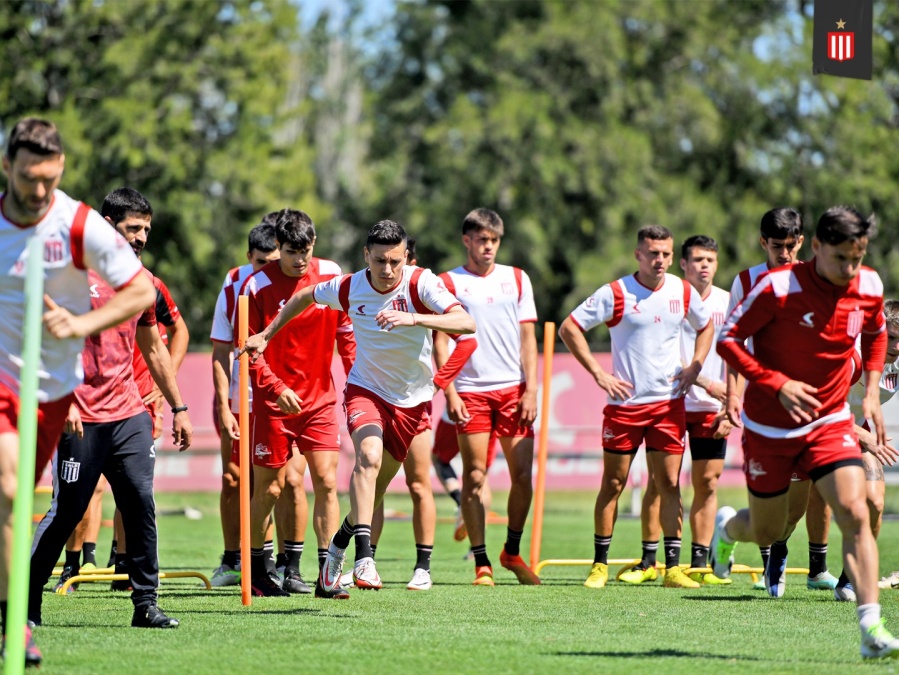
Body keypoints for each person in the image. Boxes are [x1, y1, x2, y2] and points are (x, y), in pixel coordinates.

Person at [242, 219, 475, 595]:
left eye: (395, 261)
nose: (387, 270)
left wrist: (414, 317)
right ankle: (364, 558)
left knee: (375, 490)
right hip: (365, 391)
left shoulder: (421, 283)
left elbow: (466, 323)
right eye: (380, 260)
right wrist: (267, 335)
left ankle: (338, 544)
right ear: (366, 255)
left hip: (411, 402)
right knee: (368, 458)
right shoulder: (349, 286)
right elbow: (305, 297)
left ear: (406, 258)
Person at [0, 118, 156, 666]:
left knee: (30, 500)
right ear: (7, 167)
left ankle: (17, 610)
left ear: (61, 168)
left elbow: (141, 292)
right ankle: (16, 622)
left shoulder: (79, 223)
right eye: (27, 177)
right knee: (10, 488)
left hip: (54, 391)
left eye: (48, 178)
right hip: (4, 381)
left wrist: (80, 324)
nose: (38, 189)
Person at [713, 207, 899, 659]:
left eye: (857, 258)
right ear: (815, 248)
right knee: (766, 529)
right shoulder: (776, 287)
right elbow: (728, 340)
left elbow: (876, 333)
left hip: (830, 421)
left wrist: (872, 390)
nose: (849, 269)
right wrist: (776, 384)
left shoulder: (868, 285)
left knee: (855, 512)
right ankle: (727, 529)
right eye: (840, 259)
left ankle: (871, 629)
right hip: (769, 426)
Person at [29, 186, 192, 632]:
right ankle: (25, 603)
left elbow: (154, 348)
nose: (141, 237)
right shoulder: (67, 274)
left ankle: (146, 605)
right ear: (106, 226)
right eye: (133, 228)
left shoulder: (142, 281)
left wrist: (179, 406)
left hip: (128, 413)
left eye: (146, 230)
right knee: (68, 511)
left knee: (140, 503)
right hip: (79, 415)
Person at [559, 225, 712, 590]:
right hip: (624, 407)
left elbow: (706, 327)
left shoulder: (682, 291)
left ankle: (672, 569)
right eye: (652, 253)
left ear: (672, 257)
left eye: (666, 254)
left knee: (669, 484)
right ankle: (599, 565)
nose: (660, 260)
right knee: (613, 483)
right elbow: (569, 328)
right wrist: (598, 373)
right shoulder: (616, 292)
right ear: (638, 255)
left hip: (668, 406)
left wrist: (695, 366)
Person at [719, 207, 836, 591]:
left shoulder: (817, 280)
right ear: (762, 242)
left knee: (795, 509)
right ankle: (741, 539)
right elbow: (731, 342)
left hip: (807, 407)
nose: (783, 253)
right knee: (767, 510)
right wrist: (732, 394)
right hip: (764, 409)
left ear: (801, 242)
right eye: (775, 246)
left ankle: (780, 552)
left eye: (790, 246)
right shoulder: (746, 281)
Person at [241, 209, 355, 597]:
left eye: (305, 251)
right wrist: (275, 389)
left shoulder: (331, 275)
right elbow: (249, 351)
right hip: (275, 406)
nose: (299, 259)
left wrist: (358, 381)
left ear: (314, 244)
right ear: (279, 247)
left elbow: (347, 336)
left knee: (327, 482)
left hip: (319, 402)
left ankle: (327, 574)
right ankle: (257, 570)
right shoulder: (256, 286)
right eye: (291, 252)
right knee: (270, 490)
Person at [434, 208, 540, 586]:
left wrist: (531, 389)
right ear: (467, 241)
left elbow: (528, 338)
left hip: (513, 390)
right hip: (471, 393)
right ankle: (482, 563)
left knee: (522, 476)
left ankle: (511, 551)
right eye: (482, 240)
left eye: (494, 240)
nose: (489, 247)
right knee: (475, 476)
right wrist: (449, 390)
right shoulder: (448, 282)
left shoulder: (517, 278)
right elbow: (441, 341)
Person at [618, 235, 732, 586]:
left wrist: (731, 404)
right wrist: (704, 381)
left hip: (711, 408)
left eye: (710, 260)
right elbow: (657, 352)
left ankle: (698, 564)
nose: (704, 266)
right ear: (683, 264)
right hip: (670, 402)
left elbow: (738, 354)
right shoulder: (669, 295)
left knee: (707, 483)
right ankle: (649, 561)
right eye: (697, 260)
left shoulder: (728, 302)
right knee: (660, 482)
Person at [208, 219, 280, 586]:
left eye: (273, 262)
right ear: (249, 256)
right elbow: (220, 351)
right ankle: (230, 559)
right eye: (260, 262)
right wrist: (224, 405)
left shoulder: (292, 288)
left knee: (272, 481)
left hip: (275, 396)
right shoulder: (234, 286)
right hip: (239, 398)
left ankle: (269, 561)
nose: (267, 269)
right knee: (233, 478)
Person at [836, 299, 899, 600]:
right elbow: (824, 409)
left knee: (874, 501)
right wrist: (868, 437)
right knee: (780, 520)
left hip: (856, 431)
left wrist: (864, 435)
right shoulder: (852, 358)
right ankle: (778, 549)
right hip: (818, 428)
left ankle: (851, 578)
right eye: (892, 337)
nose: (897, 346)